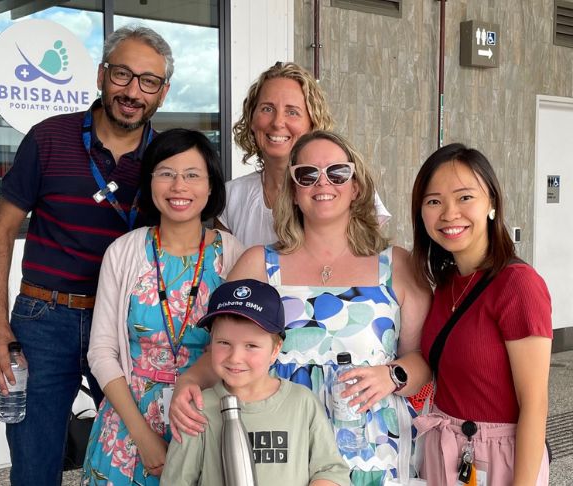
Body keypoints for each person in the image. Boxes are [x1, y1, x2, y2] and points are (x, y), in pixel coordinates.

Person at [171, 131, 431, 485]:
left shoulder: (397, 265)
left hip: (372, 445)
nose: (323, 183)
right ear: (293, 191)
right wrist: (188, 380)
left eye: (338, 172)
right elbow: (226, 346)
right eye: (307, 175)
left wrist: (391, 375)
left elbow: (423, 360)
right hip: (279, 447)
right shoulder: (258, 264)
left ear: (356, 187)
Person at [0, 25, 174, 485]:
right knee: (34, 464)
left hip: (127, 322)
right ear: (102, 76)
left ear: (162, 93)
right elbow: (1, 231)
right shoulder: (50, 138)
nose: (132, 91)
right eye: (123, 74)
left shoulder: (165, 158)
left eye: (149, 81)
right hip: (45, 318)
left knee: (134, 456)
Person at [81, 128, 243, 484]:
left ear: (211, 186)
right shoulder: (123, 252)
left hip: (207, 421)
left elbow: (243, 348)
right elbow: (102, 352)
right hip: (128, 425)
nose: (178, 186)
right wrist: (143, 436)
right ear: (150, 182)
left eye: (192, 175)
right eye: (166, 173)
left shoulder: (234, 255)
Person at [410, 144, 552, 484]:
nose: (448, 213)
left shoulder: (518, 285)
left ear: (491, 203)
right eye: (433, 201)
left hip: (500, 457)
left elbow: (534, 403)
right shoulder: (445, 285)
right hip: (445, 450)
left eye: (464, 198)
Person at [161, 279, 351, 486]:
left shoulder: (302, 402)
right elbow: (176, 480)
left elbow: (330, 470)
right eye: (224, 343)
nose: (235, 357)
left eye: (251, 345)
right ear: (211, 342)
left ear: (275, 349)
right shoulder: (196, 411)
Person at [217, 61, 390, 247]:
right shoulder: (232, 197)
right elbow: (221, 270)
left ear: (313, 122)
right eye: (267, 109)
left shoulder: (344, 189)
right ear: (251, 118)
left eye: (292, 112)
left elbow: (370, 261)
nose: (278, 122)